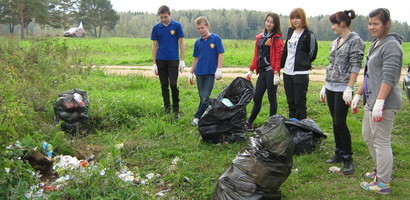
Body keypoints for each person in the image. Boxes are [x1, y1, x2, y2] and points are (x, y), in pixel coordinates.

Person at [351, 8, 403, 194]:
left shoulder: (391, 45)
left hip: (385, 103)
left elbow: (389, 77)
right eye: (370, 23)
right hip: (371, 100)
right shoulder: (376, 43)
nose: (371, 27)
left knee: (381, 141)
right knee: (368, 136)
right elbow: (369, 75)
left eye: (376, 24)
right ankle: (380, 171)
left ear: (386, 25)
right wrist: (358, 94)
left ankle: (383, 183)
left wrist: (380, 102)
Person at [319, 10, 365, 175]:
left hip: (342, 88)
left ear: (342, 24)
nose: (332, 27)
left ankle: (348, 157)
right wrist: (325, 85)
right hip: (331, 86)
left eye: (334, 24)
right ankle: (338, 152)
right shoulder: (335, 41)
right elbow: (331, 64)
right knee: (334, 120)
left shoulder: (355, 41)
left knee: (340, 122)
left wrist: (349, 88)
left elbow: (355, 64)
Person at [245, 13, 284, 131]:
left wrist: (276, 73)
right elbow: (256, 55)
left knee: (272, 98)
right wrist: (251, 69)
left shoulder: (277, 39)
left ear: (275, 24)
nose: (269, 23)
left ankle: (271, 126)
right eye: (267, 21)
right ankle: (250, 122)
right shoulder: (260, 38)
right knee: (257, 97)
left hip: (271, 72)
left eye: (271, 22)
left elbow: (278, 57)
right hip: (262, 72)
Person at [280, 8, 318, 120]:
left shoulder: (308, 34)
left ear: (303, 19)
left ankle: (301, 129)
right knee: (290, 101)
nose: (295, 20)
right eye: (292, 18)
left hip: (300, 73)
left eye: (298, 17)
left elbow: (312, 52)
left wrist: (305, 62)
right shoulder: (290, 32)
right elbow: (286, 49)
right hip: (287, 71)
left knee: (299, 102)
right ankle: (292, 126)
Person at [151, 5, 185, 119]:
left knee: (173, 84)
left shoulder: (177, 26)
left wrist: (182, 60)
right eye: (161, 17)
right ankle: (167, 109)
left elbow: (181, 43)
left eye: (165, 17)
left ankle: (176, 110)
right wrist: (154, 63)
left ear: (170, 14)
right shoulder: (156, 28)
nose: (164, 19)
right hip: (161, 60)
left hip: (173, 60)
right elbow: (154, 46)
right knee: (164, 85)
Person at [189, 16, 225, 125]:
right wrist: (191, 72)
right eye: (198, 28)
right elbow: (196, 58)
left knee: (205, 96)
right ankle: (210, 110)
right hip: (199, 72)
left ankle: (197, 117)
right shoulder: (197, 42)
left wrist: (219, 68)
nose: (200, 30)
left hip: (210, 73)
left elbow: (220, 53)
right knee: (203, 97)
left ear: (207, 26)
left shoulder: (216, 38)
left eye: (202, 28)